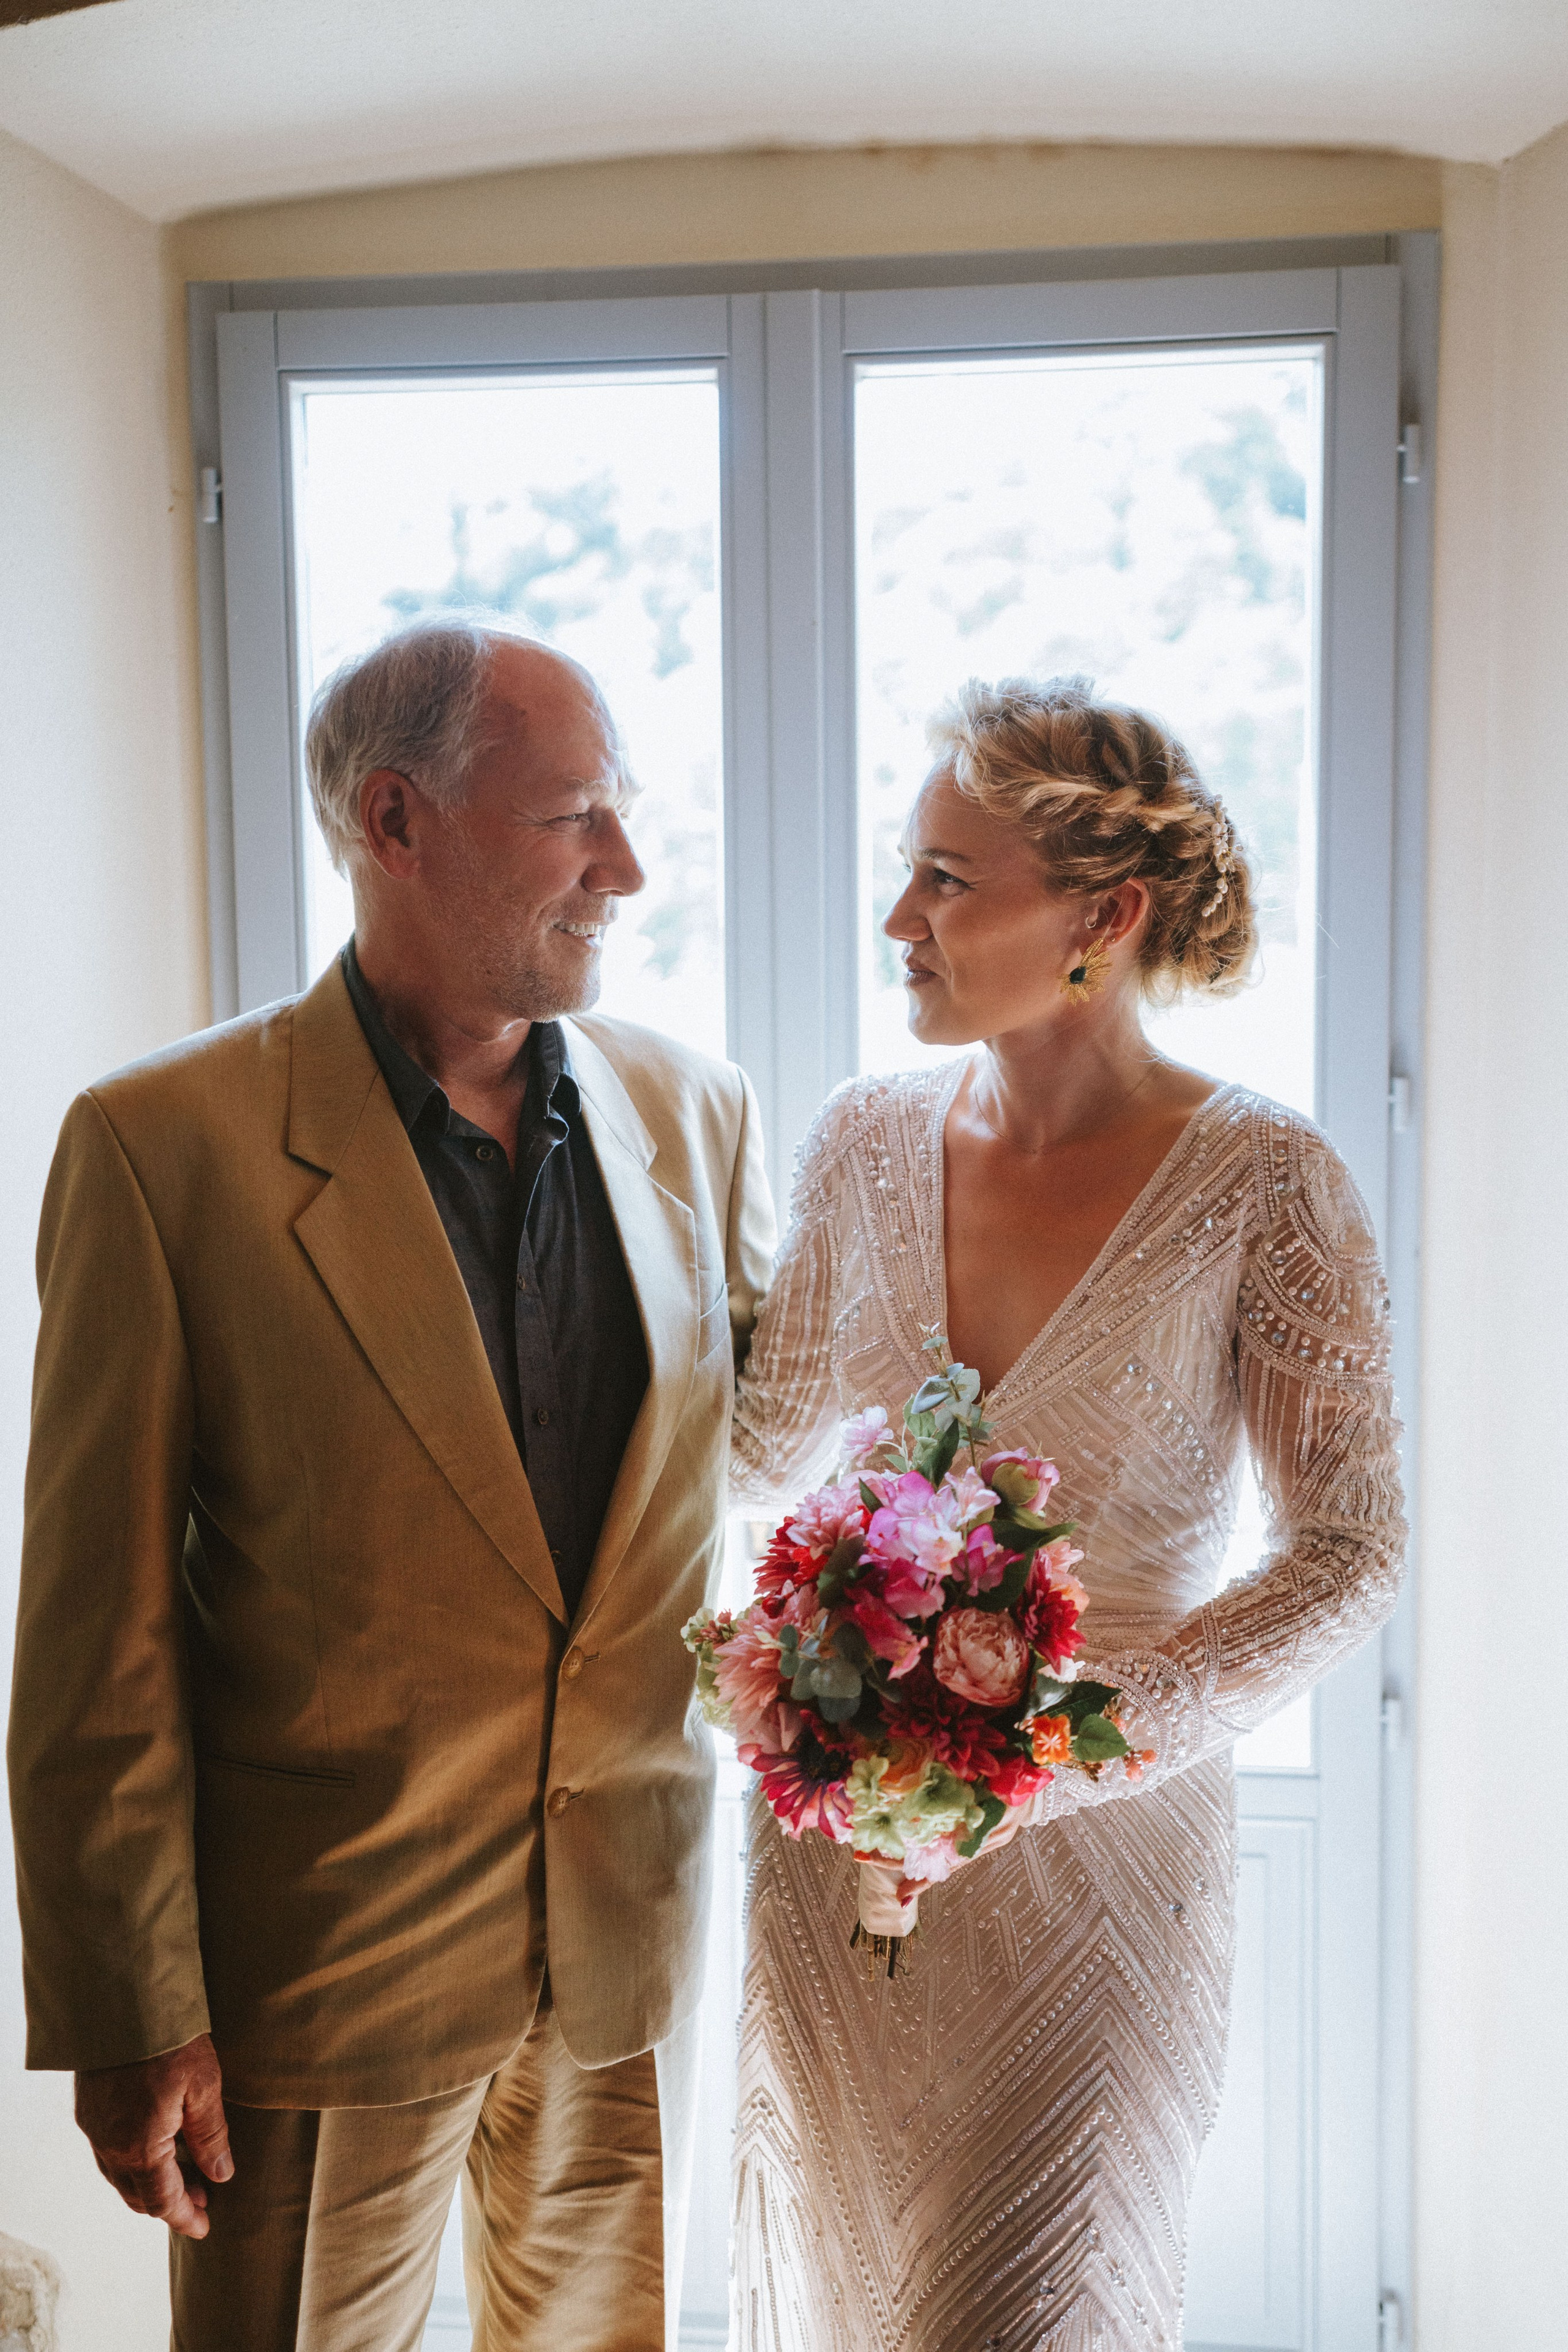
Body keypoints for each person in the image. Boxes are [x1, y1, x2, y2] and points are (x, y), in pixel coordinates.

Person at [7, 621, 772, 2352]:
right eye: (576, 814)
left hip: (620, 1949)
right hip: (315, 1973)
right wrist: (133, 2003)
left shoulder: (696, 1111)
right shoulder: (161, 1147)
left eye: (626, 816)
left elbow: (781, 1448)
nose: (628, 870)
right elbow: (94, 1635)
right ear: (394, 819)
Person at [729, 675, 1406, 2350]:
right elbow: (748, 1450)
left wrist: (1056, 1753)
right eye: (910, 870)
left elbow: (1352, 1545)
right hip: (843, 1866)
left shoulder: (1270, 1184)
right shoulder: (860, 1141)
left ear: (1103, 914)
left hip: (1105, 1882)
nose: (899, 917)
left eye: (948, 880)